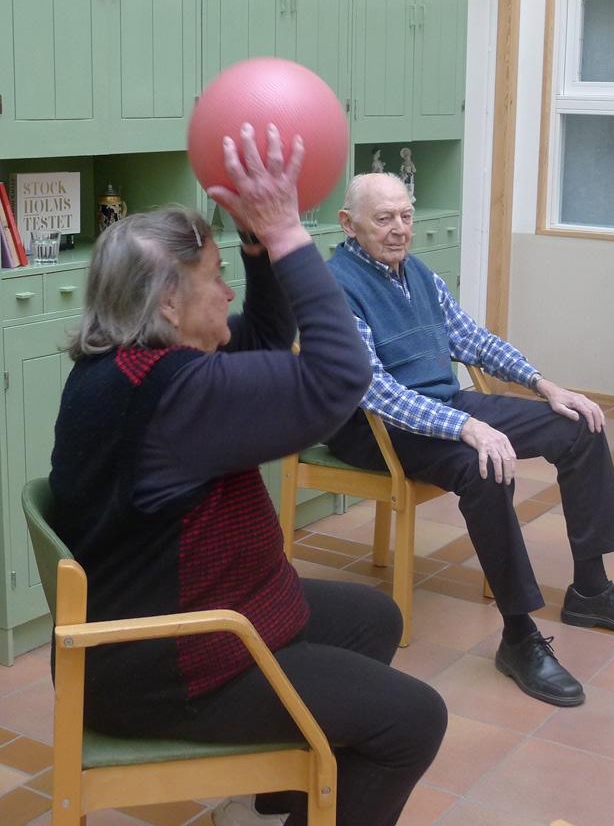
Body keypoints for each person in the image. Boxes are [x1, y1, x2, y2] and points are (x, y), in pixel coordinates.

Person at [48, 126, 447, 826]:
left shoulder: (118, 366)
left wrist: (257, 250)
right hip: (168, 666)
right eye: (216, 279)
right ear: (169, 304)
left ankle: (286, 790)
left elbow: (256, 341)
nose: (228, 288)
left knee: (372, 618)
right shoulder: (180, 394)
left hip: (141, 631)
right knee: (412, 720)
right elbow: (340, 378)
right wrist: (290, 235)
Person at [325, 172, 614, 709]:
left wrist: (543, 384)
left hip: (443, 409)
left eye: (406, 216)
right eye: (383, 219)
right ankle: (519, 635)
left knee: (579, 426)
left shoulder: (417, 273)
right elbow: (375, 390)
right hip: (375, 430)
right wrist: (465, 426)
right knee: (485, 467)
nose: (399, 230)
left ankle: (591, 589)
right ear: (349, 224)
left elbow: (472, 339)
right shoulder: (335, 288)